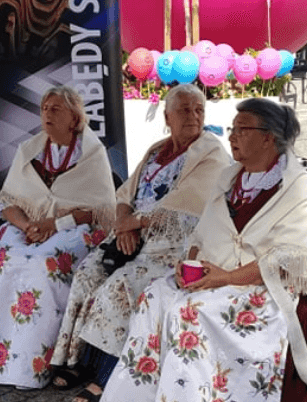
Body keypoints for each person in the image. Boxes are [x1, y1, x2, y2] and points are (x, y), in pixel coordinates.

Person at [103, 99, 307, 402]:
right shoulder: (230, 177)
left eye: (242, 129)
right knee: (153, 295)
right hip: (218, 276)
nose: (232, 136)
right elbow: (201, 233)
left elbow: (289, 259)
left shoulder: (294, 185)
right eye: (232, 129)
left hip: (266, 287)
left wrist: (227, 277)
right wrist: (188, 263)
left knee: (188, 312)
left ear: (268, 137)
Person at [49, 84, 231, 401]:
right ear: (167, 116)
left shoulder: (211, 152)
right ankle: (79, 358)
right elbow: (126, 194)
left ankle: (109, 377)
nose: (193, 115)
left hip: (173, 245)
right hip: (133, 235)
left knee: (119, 287)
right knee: (88, 275)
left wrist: (135, 222)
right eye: (185, 109)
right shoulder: (157, 149)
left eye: (199, 109)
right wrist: (124, 225)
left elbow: (188, 202)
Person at [0, 86, 116, 389]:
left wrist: (54, 224)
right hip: (29, 226)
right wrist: (27, 226)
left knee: (43, 262)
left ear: (74, 118)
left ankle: (33, 363)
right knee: (9, 256)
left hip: (73, 228)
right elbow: (8, 202)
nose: (47, 113)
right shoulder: (30, 150)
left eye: (56, 109)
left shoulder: (91, 152)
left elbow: (100, 211)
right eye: (45, 108)